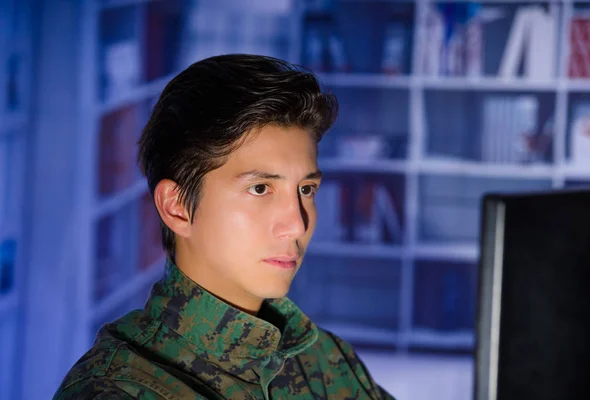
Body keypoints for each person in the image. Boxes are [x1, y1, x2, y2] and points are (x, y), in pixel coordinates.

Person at [53, 54, 395, 399]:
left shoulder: (324, 360)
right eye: (260, 188)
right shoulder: (116, 391)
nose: (296, 224)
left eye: (306, 190)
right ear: (178, 208)